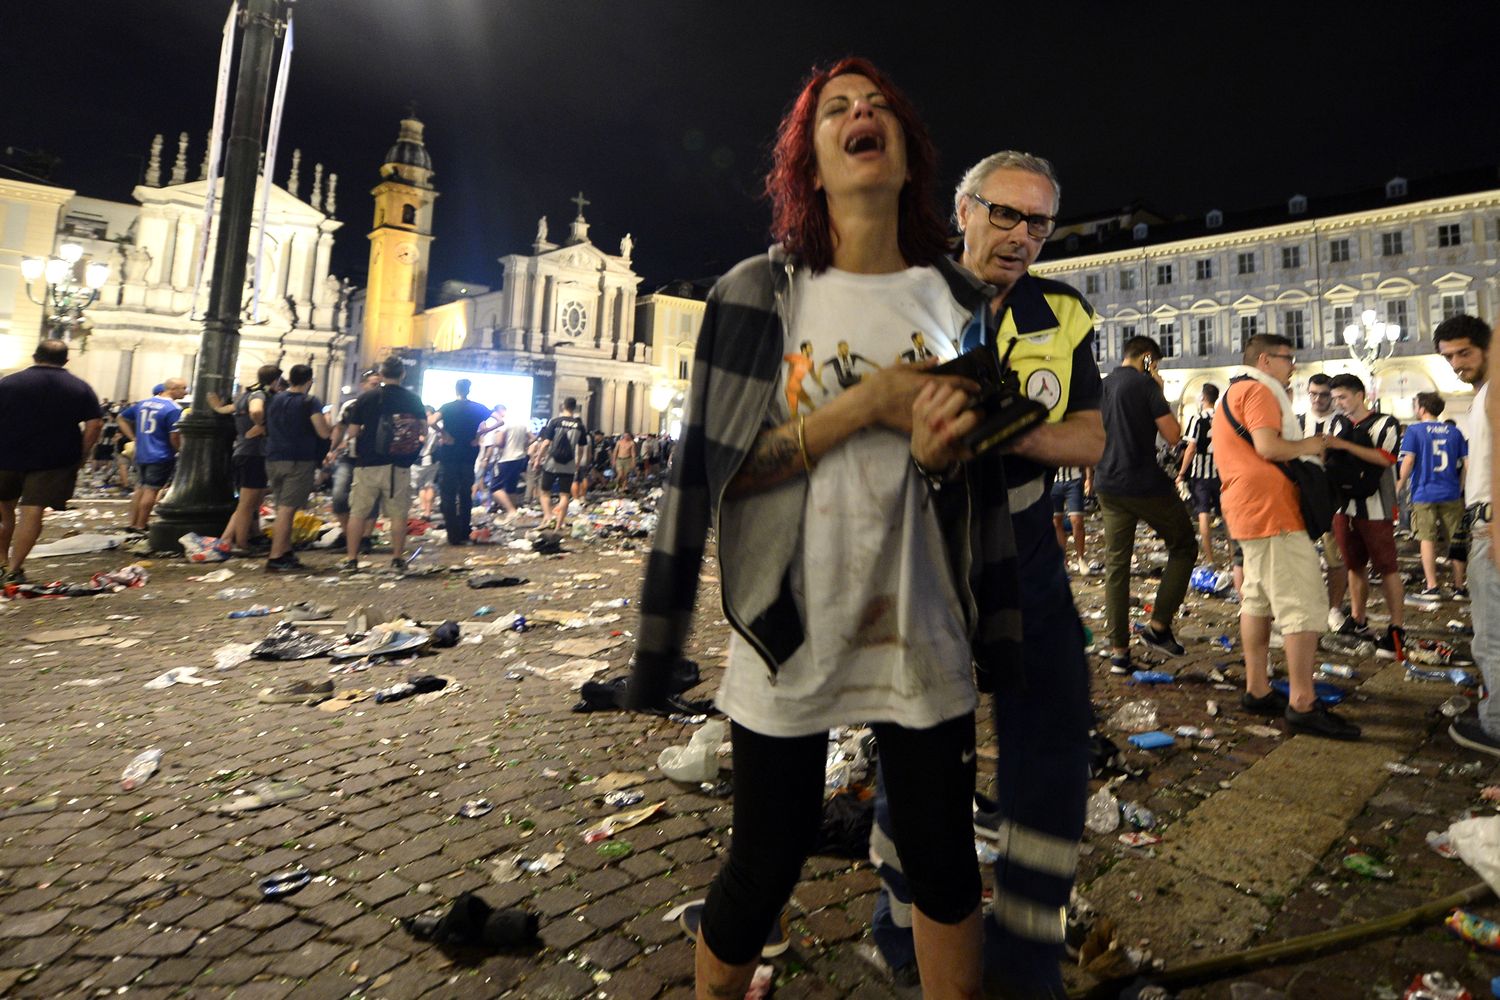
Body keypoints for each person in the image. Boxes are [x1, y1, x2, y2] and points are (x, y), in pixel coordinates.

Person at [625, 58, 1019, 1000]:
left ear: (907, 153)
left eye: (877, 105)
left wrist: (937, 453)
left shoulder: (958, 301)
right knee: (766, 855)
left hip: (918, 619)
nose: (860, 114)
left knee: (944, 861)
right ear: (810, 156)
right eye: (836, 108)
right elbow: (721, 472)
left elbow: (967, 476)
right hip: (785, 620)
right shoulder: (760, 293)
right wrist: (867, 404)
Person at [900, 148, 1102, 998]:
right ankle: (900, 924)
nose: (1022, 236)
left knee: (1054, 732)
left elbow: (1089, 440)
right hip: (924, 546)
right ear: (965, 210)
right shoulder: (903, 294)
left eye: (1041, 223)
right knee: (920, 747)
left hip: (1024, 544)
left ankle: (1026, 954)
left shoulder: (1062, 311)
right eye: (1006, 214)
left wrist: (1002, 430)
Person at [1216, 335, 1358, 739]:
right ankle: (1302, 702)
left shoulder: (1234, 391)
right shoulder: (1259, 390)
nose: (1293, 366)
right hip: (1272, 507)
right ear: (1265, 359)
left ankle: (1257, 689)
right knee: (1302, 602)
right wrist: (1311, 444)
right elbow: (1268, 446)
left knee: (1257, 599)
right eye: (1287, 359)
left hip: (1245, 505)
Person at [1096, 336, 1197, 673]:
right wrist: (1160, 389)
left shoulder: (1103, 384)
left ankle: (1119, 653)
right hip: (1143, 483)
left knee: (1117, 566)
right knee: (1183, 545)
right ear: (1148, 358)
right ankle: (1158, 627)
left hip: (1108, 483)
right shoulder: (1145, 384)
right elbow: (1173, 434)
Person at [1433, 316, 1498, 754]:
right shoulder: (1482, 396)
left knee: (1492, 637)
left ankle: (1496, 728)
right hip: (1482, 520)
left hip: (1493, 525)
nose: (1457, 364)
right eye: (1449, 357)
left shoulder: (1493, 393)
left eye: (1464, 353)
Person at [0, 340, 103, 584]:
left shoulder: (8, 383)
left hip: (5, 455)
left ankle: (1, 562)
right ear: (66, 360)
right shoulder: (79, 387)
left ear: (35, 356)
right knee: (32, 512)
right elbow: (95, 424)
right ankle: (15, 569)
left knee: (4, 512)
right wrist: (83, 453)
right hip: (54, 459)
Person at [1325, 373, 1406, 659]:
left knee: (1387, 566)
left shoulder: (1386, 423)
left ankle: (1397, 627)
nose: (1339, 403)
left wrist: (1345, 446)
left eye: (1343, 397)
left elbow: (1386, 458)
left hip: (1377, 507)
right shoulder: (1337, 423)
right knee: (1353, 564)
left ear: (1361, 395)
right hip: (1343, 506)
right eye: (1335, 399)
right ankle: (1358, 619)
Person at [340, 357, 427, 572]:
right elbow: (424, 430)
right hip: (399, 465)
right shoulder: (413, 399)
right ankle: (397, 558)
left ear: (381, 373)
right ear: (402, 374)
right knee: (398, 514)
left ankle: (352, 559)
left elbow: (352, 432)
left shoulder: (367, 397)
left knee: (358, 513)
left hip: (367, 462)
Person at [1399, 391, 1468, 598]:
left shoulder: (1414, 431)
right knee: (1456, 540)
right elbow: (1467, 463)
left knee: (1427, 539)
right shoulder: (1454, 432)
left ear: (1422, 408)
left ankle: (1432, 585)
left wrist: (1399, 484)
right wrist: (1461, 486)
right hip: (1451, 492)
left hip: (1424, 492)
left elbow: (1408, 460)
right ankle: (1459, 586)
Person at [263, 364, 330, 572]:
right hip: (298, 459)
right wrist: (331, 426)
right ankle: (276, 557)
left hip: (274, 457)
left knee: (281, 506)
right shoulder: (310, 402)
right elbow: (323, 432)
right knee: (287, 510)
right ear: (309, 381)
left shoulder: (276, 399)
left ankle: (286, 551)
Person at [1298, 373, 1349, 629]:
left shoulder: (1341, 423)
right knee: (1297, 557)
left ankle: (1334, 609)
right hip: (1302, 499)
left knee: (1335, 558)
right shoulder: (1297, 421)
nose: (1318, 399)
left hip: (1332, 499)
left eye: (1324, 394)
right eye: (1313, 394)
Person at [223, 365, 281, 553]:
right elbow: (256, 411)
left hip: (245, 452)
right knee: (247, 504)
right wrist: (262, 425)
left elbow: (228, 409)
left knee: (250, 503)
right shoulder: (259, 395)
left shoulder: (245, 395)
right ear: (275, 381)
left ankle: (229, 539)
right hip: (252, 454)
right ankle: (242, 544)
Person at [118, 378, 186, 533]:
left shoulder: (143, 403)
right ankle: (141, 525)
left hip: (141, 452)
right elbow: (174, 436)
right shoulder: (173, 409)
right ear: (173, 389)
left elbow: (121, 418)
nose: (185, 391)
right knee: (151, 490)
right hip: (160, 454)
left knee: (140, 489)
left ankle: (132, 523)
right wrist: (179, 450)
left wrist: (133, 438)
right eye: (183, 388)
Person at [326, 368, 380, 551]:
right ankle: (349, 535)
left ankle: (365, 538)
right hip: (349, 457)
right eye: (373, 384)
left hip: (372, 458)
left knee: (370, 499)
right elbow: (340, 428)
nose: (377, 387)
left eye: (379, 384)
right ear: (363, 385)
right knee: (339, 496)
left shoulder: (383, 405)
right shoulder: (350, 406)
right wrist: (332, 449)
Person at [436, 379, 492, 546]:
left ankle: (452, 535)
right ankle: (464, 531)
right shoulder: (478, 407)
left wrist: (444, 433)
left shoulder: (447, 407)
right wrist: (479, 435)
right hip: (469, 453)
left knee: (448, 495)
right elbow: (499, 420)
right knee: (465, 494)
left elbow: (431, 421)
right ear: (469, 390)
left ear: (456, 389)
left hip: (449, 453)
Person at [1178, 384, 1222, 565]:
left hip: (1201, 474)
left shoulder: (1197, 418)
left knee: (1203, 514)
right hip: (1220, 473)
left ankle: (1210, 559)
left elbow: (1191, 448)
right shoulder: (1222, 417)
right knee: (1224, 516)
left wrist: (1181, 473)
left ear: (1203, 398)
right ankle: (1233, 557)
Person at [537, 397, 588, 532]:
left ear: (562, 406)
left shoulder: (555, 421)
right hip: (569, 464)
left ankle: (547, 517)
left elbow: (546, 443)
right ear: (574, 407)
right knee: (565, 495)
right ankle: (559, 525)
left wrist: (538, 459)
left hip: (552, 463)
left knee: (544, 492)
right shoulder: (580, 425)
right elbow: (582, 448)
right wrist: (577, 463)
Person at [1052, 465, 1091, 574]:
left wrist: (1088, 478)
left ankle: (1080, 559)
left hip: (1074, 480)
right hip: (1054, 481)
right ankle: (1063, 560)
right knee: (1056, 522)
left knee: (1077, 521)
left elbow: (1085, 456)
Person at [412, 406, 440, 520]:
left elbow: (421, 440)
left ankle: (424, 510)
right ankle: (427, 511)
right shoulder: (438, 428)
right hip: (433, 460)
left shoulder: (420, 426)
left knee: (421, 486)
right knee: (429, 485)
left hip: (420, 460)